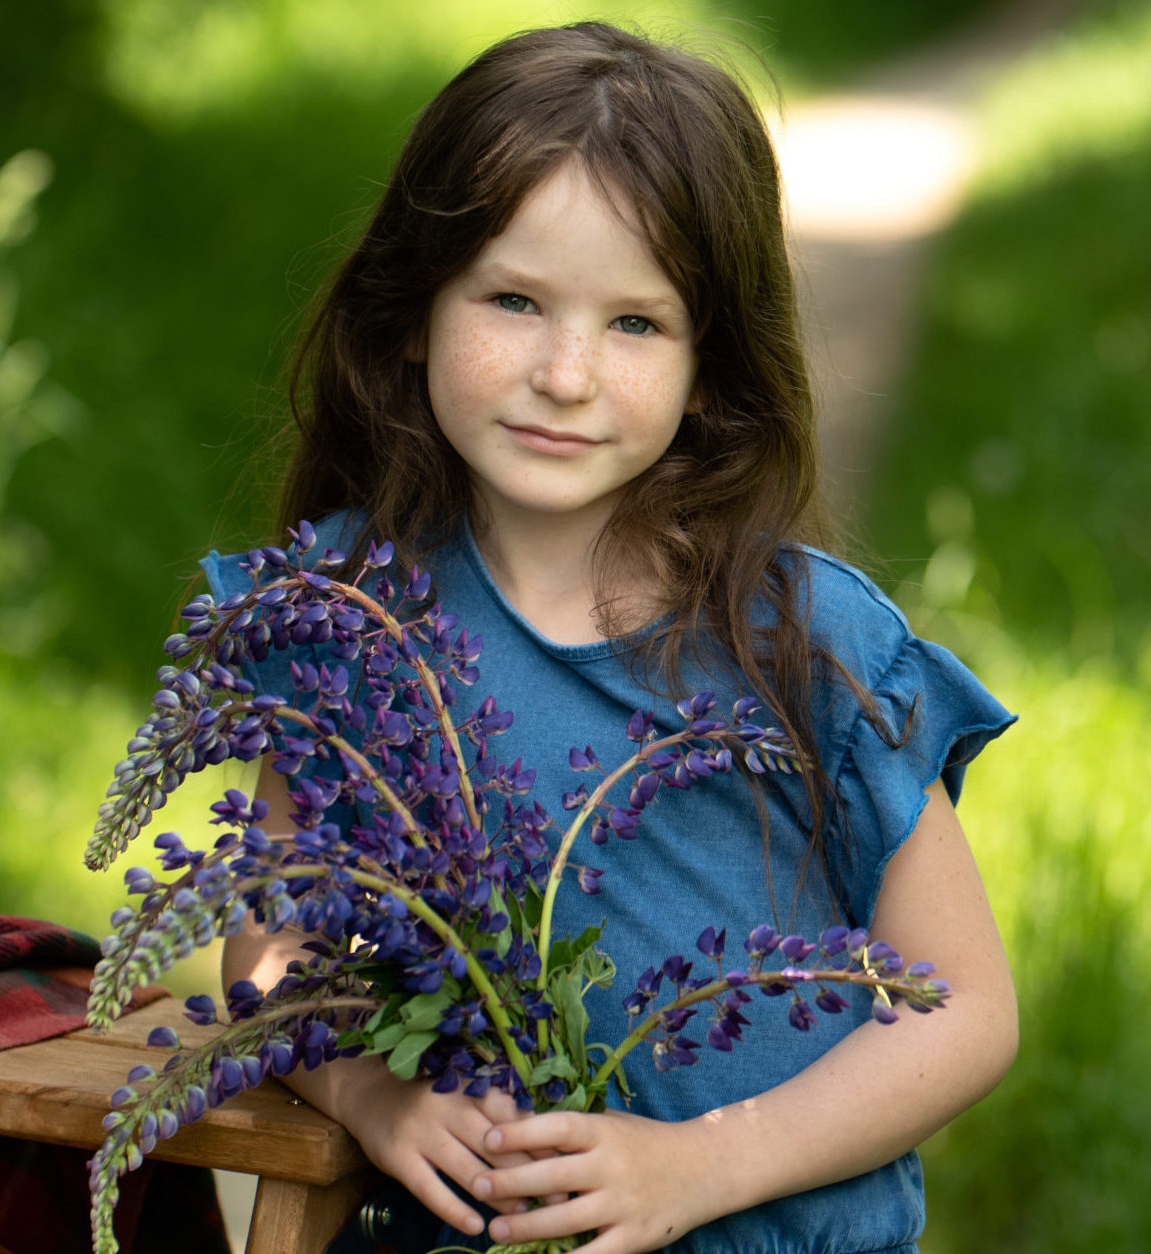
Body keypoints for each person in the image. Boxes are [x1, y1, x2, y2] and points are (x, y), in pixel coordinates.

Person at [205, 22, 1018, 1254]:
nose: (565, 373)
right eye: (515, 300)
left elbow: (963, 1008)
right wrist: (370, 1095)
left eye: (634, 323)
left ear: (710, 366)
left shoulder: (803, 643)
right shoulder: (352, 620)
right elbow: (272, 949)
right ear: (414, 311)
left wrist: (701, 1164)